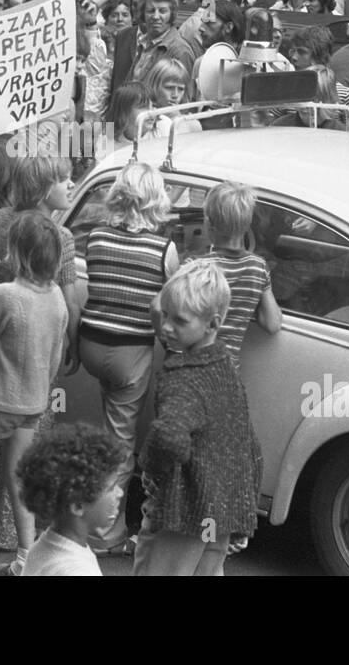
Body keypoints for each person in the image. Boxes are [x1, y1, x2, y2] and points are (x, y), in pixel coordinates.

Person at [134, 260, 262, 576]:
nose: (165, 327)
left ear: (212, 323)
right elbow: (248, 445)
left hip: (182, 514)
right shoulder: (225, 368)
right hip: (218, 516)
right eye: (164, 314)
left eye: (179, 320)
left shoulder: (183, 377)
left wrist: (149, 468)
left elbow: (169, 437)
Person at [77, 161, 179, 554]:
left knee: (107, 429)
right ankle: (104, 534)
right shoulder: (163, 249)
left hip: (91, 344)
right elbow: (173, 299)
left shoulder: (97, 237)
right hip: (130, 352)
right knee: (120, 444)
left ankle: (87, 507)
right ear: (156, 200)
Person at [0, 211, 69, 576]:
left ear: (16, 253)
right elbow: (56, 355)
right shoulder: (57, 296)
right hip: (33, 402)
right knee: (18, 477)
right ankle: (27, 557)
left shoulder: (4, 294)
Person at [189, 182, 281, 367]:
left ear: (208, 224)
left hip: (191, 368)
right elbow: (272, 323)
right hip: (228, 372)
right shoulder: (258, 267)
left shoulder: (195, 267)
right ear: (247, 225)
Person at [16, 422, 124, 576]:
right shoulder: (76, 571)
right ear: (78, 506)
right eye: (112, 488)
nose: (119, 493)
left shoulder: (45, 544)